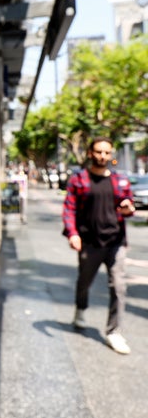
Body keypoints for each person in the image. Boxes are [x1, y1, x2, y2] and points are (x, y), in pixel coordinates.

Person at [62, 137, 135, 354]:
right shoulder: (79, 180)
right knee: (85, 281)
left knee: (119, 287)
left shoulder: (120, 181)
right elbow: (69, 209)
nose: (103, 156)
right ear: (90, 153)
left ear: (111, 154)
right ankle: (81, 308)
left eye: (106, 152)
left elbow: (129, 205)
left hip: (115, 241)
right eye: (99, 152)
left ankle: (114, 332)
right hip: (89, 242)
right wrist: (73, 234)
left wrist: (127, 208)